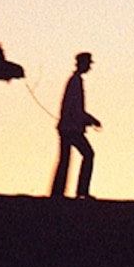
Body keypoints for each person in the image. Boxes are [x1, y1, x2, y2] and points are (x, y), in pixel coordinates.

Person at [50, 50, 99, 197]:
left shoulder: (74, 80)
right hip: (72, 128)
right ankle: (81, 191)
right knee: (88, 154)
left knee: (65, 159)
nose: (89, 67)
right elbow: (76, 109)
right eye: (88, 64)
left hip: (67, 127)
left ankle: (58, 193)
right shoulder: (76, 82)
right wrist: (90, 120)